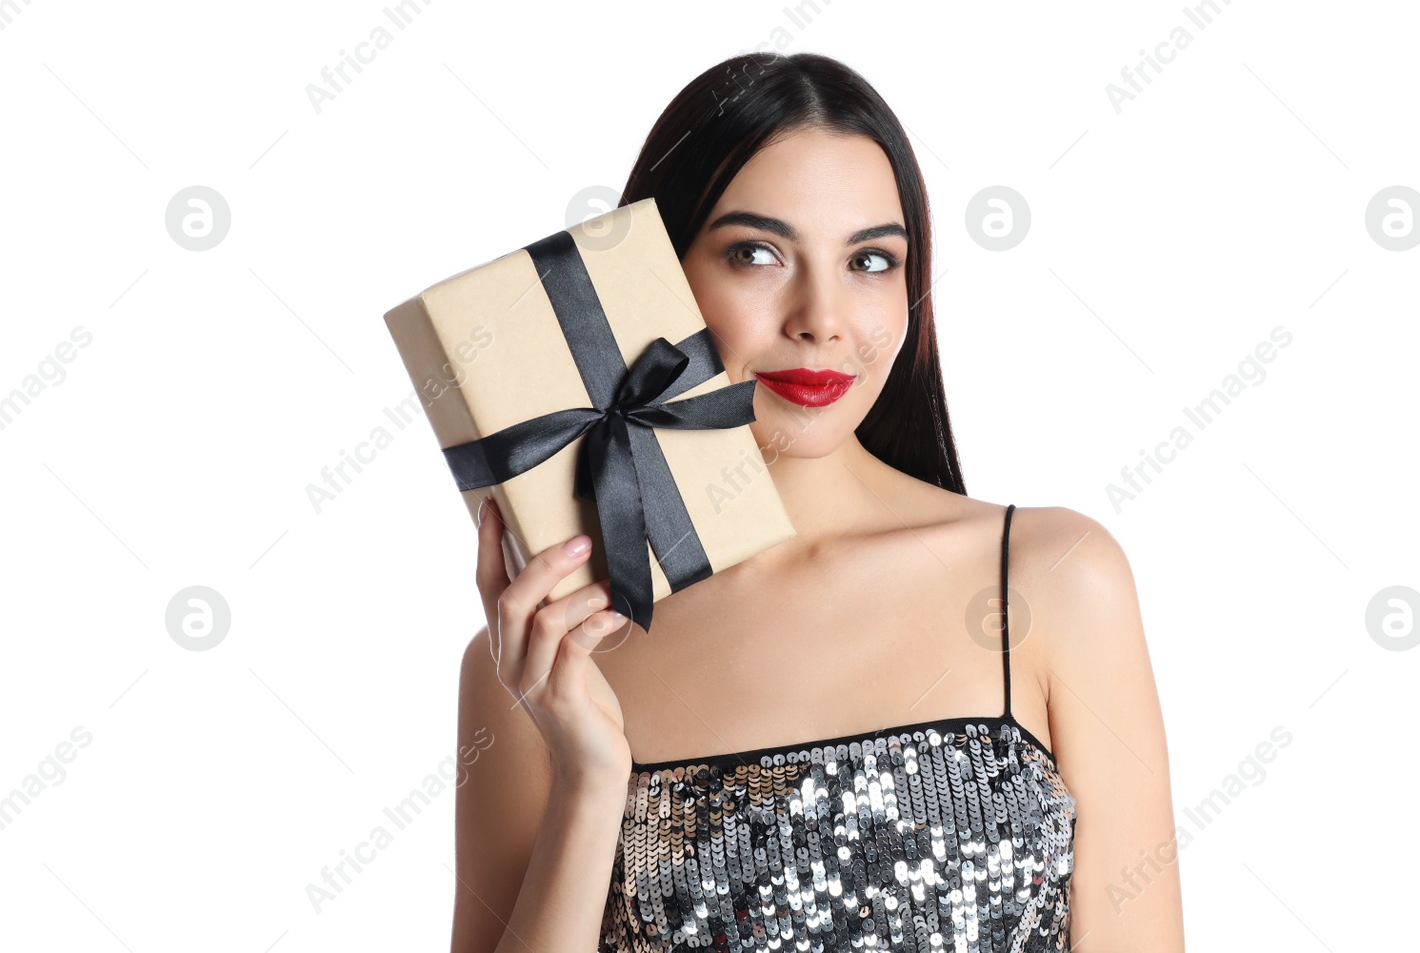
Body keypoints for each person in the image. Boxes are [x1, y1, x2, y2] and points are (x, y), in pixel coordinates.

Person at [450, 52, 1184, 951]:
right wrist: (589, 775)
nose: (823, 317)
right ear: (658, 276)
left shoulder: (1056, 580)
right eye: (756, 253)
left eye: (871, 260)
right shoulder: (544, 653)